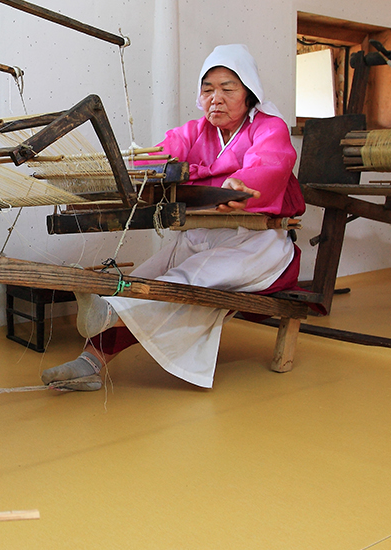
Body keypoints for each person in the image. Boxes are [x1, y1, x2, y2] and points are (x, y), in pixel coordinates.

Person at [41, 44, 304, 390]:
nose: (216, 99)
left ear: (249, 93)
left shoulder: (269, 128)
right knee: (143, 277)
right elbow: (160, 154)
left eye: (228, 89)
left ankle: (109, 315)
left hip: (256, 244)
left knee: (187, 280)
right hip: (201, 236)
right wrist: (120, 172)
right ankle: (89, 363)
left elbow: (271, 163)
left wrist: (241, 185)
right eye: (208, 90)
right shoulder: (195, 131)